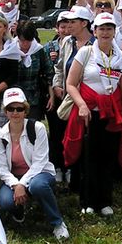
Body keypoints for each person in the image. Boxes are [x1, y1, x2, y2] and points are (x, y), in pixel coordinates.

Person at [64, 13, 122, 216]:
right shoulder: (86, 53)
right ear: (95, 31)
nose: (105, 32)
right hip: (89, 114)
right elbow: (70, 84)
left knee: (107, 158)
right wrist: (82, 105)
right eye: (101, 29)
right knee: (89, 159)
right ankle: (88, 201)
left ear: (114, 32)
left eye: (109, 29)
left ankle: (105, 201)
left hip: (112, 115)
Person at [0, 88, 69, 240]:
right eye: (10, 108)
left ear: (26, 110)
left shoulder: (37, 128)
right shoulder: (0, 135)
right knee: (4, 200)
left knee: (37, 186)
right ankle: (18, 209)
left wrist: (22, 184)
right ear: (5, 111)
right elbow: (2, 167)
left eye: (19, 108)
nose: (15, 112)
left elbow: (39, 162)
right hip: (15, 178)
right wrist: (16, 185)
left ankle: (57, 223)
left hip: (40, 173)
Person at [52, 6, 95, 189]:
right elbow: (60, 66)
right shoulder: (67, 42)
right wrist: (58, 84)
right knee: (68, 136)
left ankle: (84, 178)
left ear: (84, 23)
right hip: (67, 97)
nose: (68, 25)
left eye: (72, 22)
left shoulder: (95, 43)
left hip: (88, 100)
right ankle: (71, 172)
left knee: (85, 139)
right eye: (67, 22)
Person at [44, 11, 71, 182]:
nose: (66, 29)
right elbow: (47, 72)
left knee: (70, 133)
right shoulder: (49, 47)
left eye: (69, 26)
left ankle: (69, 167)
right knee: (55, 133)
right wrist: (52, 92)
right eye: (63, 26)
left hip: (71, 97)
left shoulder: (76, 45)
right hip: (54, 96)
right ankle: (57, 166)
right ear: (57, 28)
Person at [15, 20, 53, 121]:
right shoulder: (10, 49)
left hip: (34, 99)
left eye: (28, 40)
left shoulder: (39, 50)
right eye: (22, 40)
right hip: (14, 97)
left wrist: (51, 96)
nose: (25, 44)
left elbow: (49, 73)